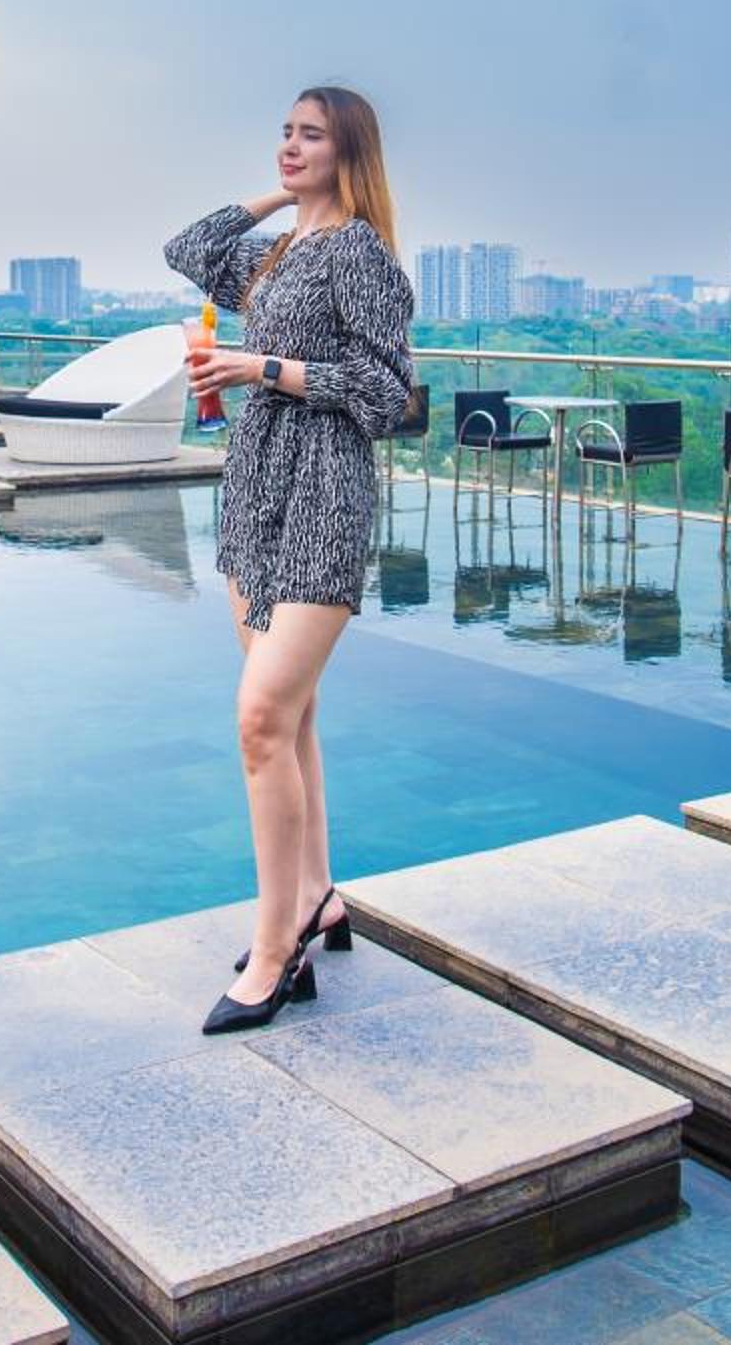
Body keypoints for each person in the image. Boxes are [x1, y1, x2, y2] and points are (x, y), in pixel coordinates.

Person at [163, 86, 416, 1034]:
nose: (290, 146)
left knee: (262, 717)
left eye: (312, 136)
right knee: (293, 714)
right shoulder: (277, 254)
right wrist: (283, 197)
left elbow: (389, 395)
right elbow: (187, 248)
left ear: (350, 150)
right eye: (285, 133)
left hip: (323, 494)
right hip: (253, 492)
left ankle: (275, 949)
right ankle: (318, 898)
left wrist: (259, 367)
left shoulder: (361, 253)